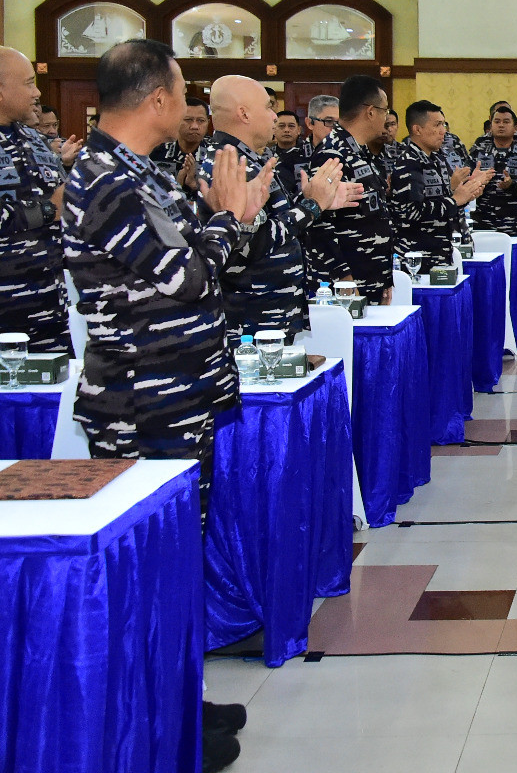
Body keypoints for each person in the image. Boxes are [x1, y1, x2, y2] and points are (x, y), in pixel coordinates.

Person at [63, 40, 269, 773]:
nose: (190, 104)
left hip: (176, 394)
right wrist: (230, 220)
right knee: (152, 568)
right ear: (154, 97)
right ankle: (154, 711)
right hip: (143, 403)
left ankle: (181, 697)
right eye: (184, 90)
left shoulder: (140, 173)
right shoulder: (106, 178)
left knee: (177, 560)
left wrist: (227, 222)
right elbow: (184, 273)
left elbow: (200, 269)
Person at [197, 76, 361, 341]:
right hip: (252, 321)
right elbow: (250, 242)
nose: (274, 116)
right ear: (244, 114)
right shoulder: (229, 166)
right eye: (268, 107)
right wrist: (312, 206)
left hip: (274, 311)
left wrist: (315, 202)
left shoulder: (250, 159)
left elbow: (271, 223)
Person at [0, 46, 72, 353]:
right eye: (29, 83)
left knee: (53, 399)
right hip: (5, 316)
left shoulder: (37, 141)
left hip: (52, 310)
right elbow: (54, 206)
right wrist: (48, 209)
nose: (37, 92)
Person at [302, 76, 395, 303]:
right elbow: (319, 224)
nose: (386, 119)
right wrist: (343, 276)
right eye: (384, 111)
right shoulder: (333, 154)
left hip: (370, 276)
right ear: (371, 112)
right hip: (348, 284)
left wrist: (384, 277)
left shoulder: (359, 151)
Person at [390, 100, 492, 268]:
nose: (443, 131)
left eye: (443, 125)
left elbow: (444, 201)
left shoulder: (437, 159)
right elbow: (411, 212)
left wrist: (468, 192)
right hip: (417, 257)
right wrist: (455, 200)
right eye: (437, 125)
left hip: (440, 252)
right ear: (417, 129)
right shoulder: (409, 163)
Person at [471, 104, 517, 239]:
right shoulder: (478, 152)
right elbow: (465, 183)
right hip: (483, 225)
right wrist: (476, 182)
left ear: (514, 127)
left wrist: (514, 186)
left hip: (515, 226)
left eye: (506, 122)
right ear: (491, 125)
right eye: (497, 121)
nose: (501, 125)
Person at [152, 95, 211, 199]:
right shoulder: (156, 151)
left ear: (208, 122)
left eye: (201, 120)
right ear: (177, 119)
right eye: (188, 120)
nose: (194, 126)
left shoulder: (215, 154)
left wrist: (194, 185)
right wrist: (177, 184)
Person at [271, 110, 307, 195]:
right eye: (281, 126)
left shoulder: (309, 152)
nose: (286, 130)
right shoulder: (266, 154)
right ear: (273, 130)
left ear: (299, 130)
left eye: (291, 126)